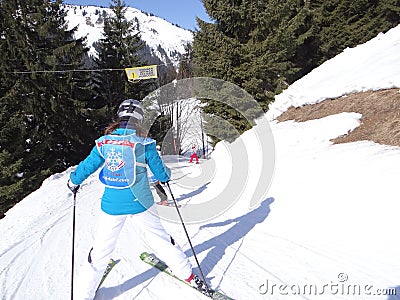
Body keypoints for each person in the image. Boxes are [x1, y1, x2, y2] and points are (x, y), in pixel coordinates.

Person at [67, 99, 205, 300]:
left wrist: (73, 182)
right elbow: (162, 173)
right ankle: (188, 275)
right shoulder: (144, 143)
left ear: (119, 117)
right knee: (161, 240)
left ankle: (83, 294)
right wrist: (165, 176)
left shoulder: (103, 142)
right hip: (141, 204)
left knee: (101, 249)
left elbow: (86, 166)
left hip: (112, 206)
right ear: (140, 118)